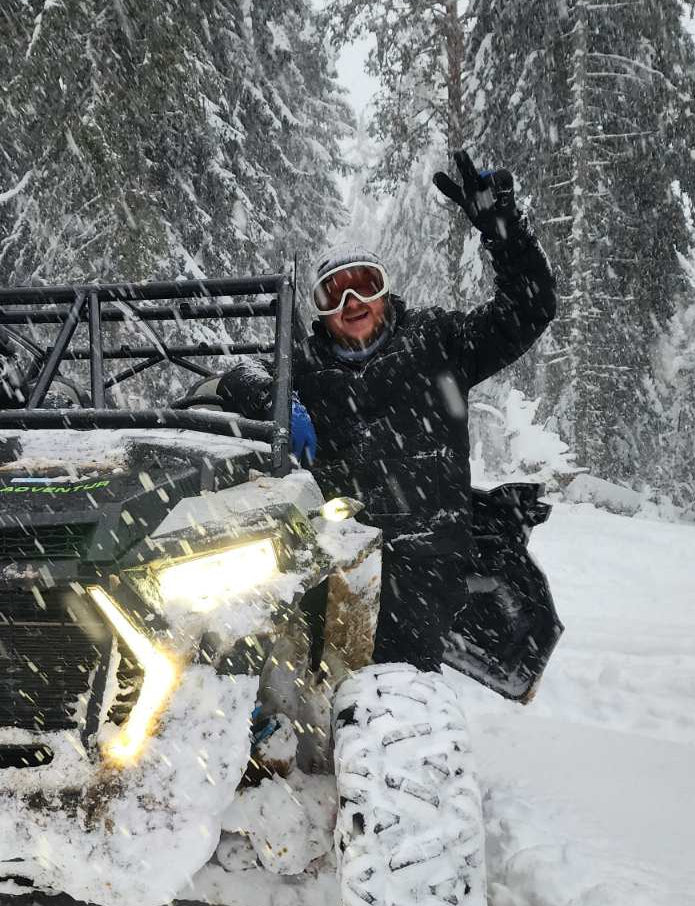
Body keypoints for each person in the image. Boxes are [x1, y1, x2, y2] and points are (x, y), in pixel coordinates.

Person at [219, 149, 557, 671]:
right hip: (323, 557)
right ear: (321, 310)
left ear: (384, 291)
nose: (352, 300)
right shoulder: (303, 365)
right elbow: (232, 380)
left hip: (422, 558)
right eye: (335, 292)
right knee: (283, 685)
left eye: (365, 285)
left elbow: (529, 307)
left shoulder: (438, 343)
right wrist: (277, 398)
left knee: (386, 695)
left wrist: (503, 228)